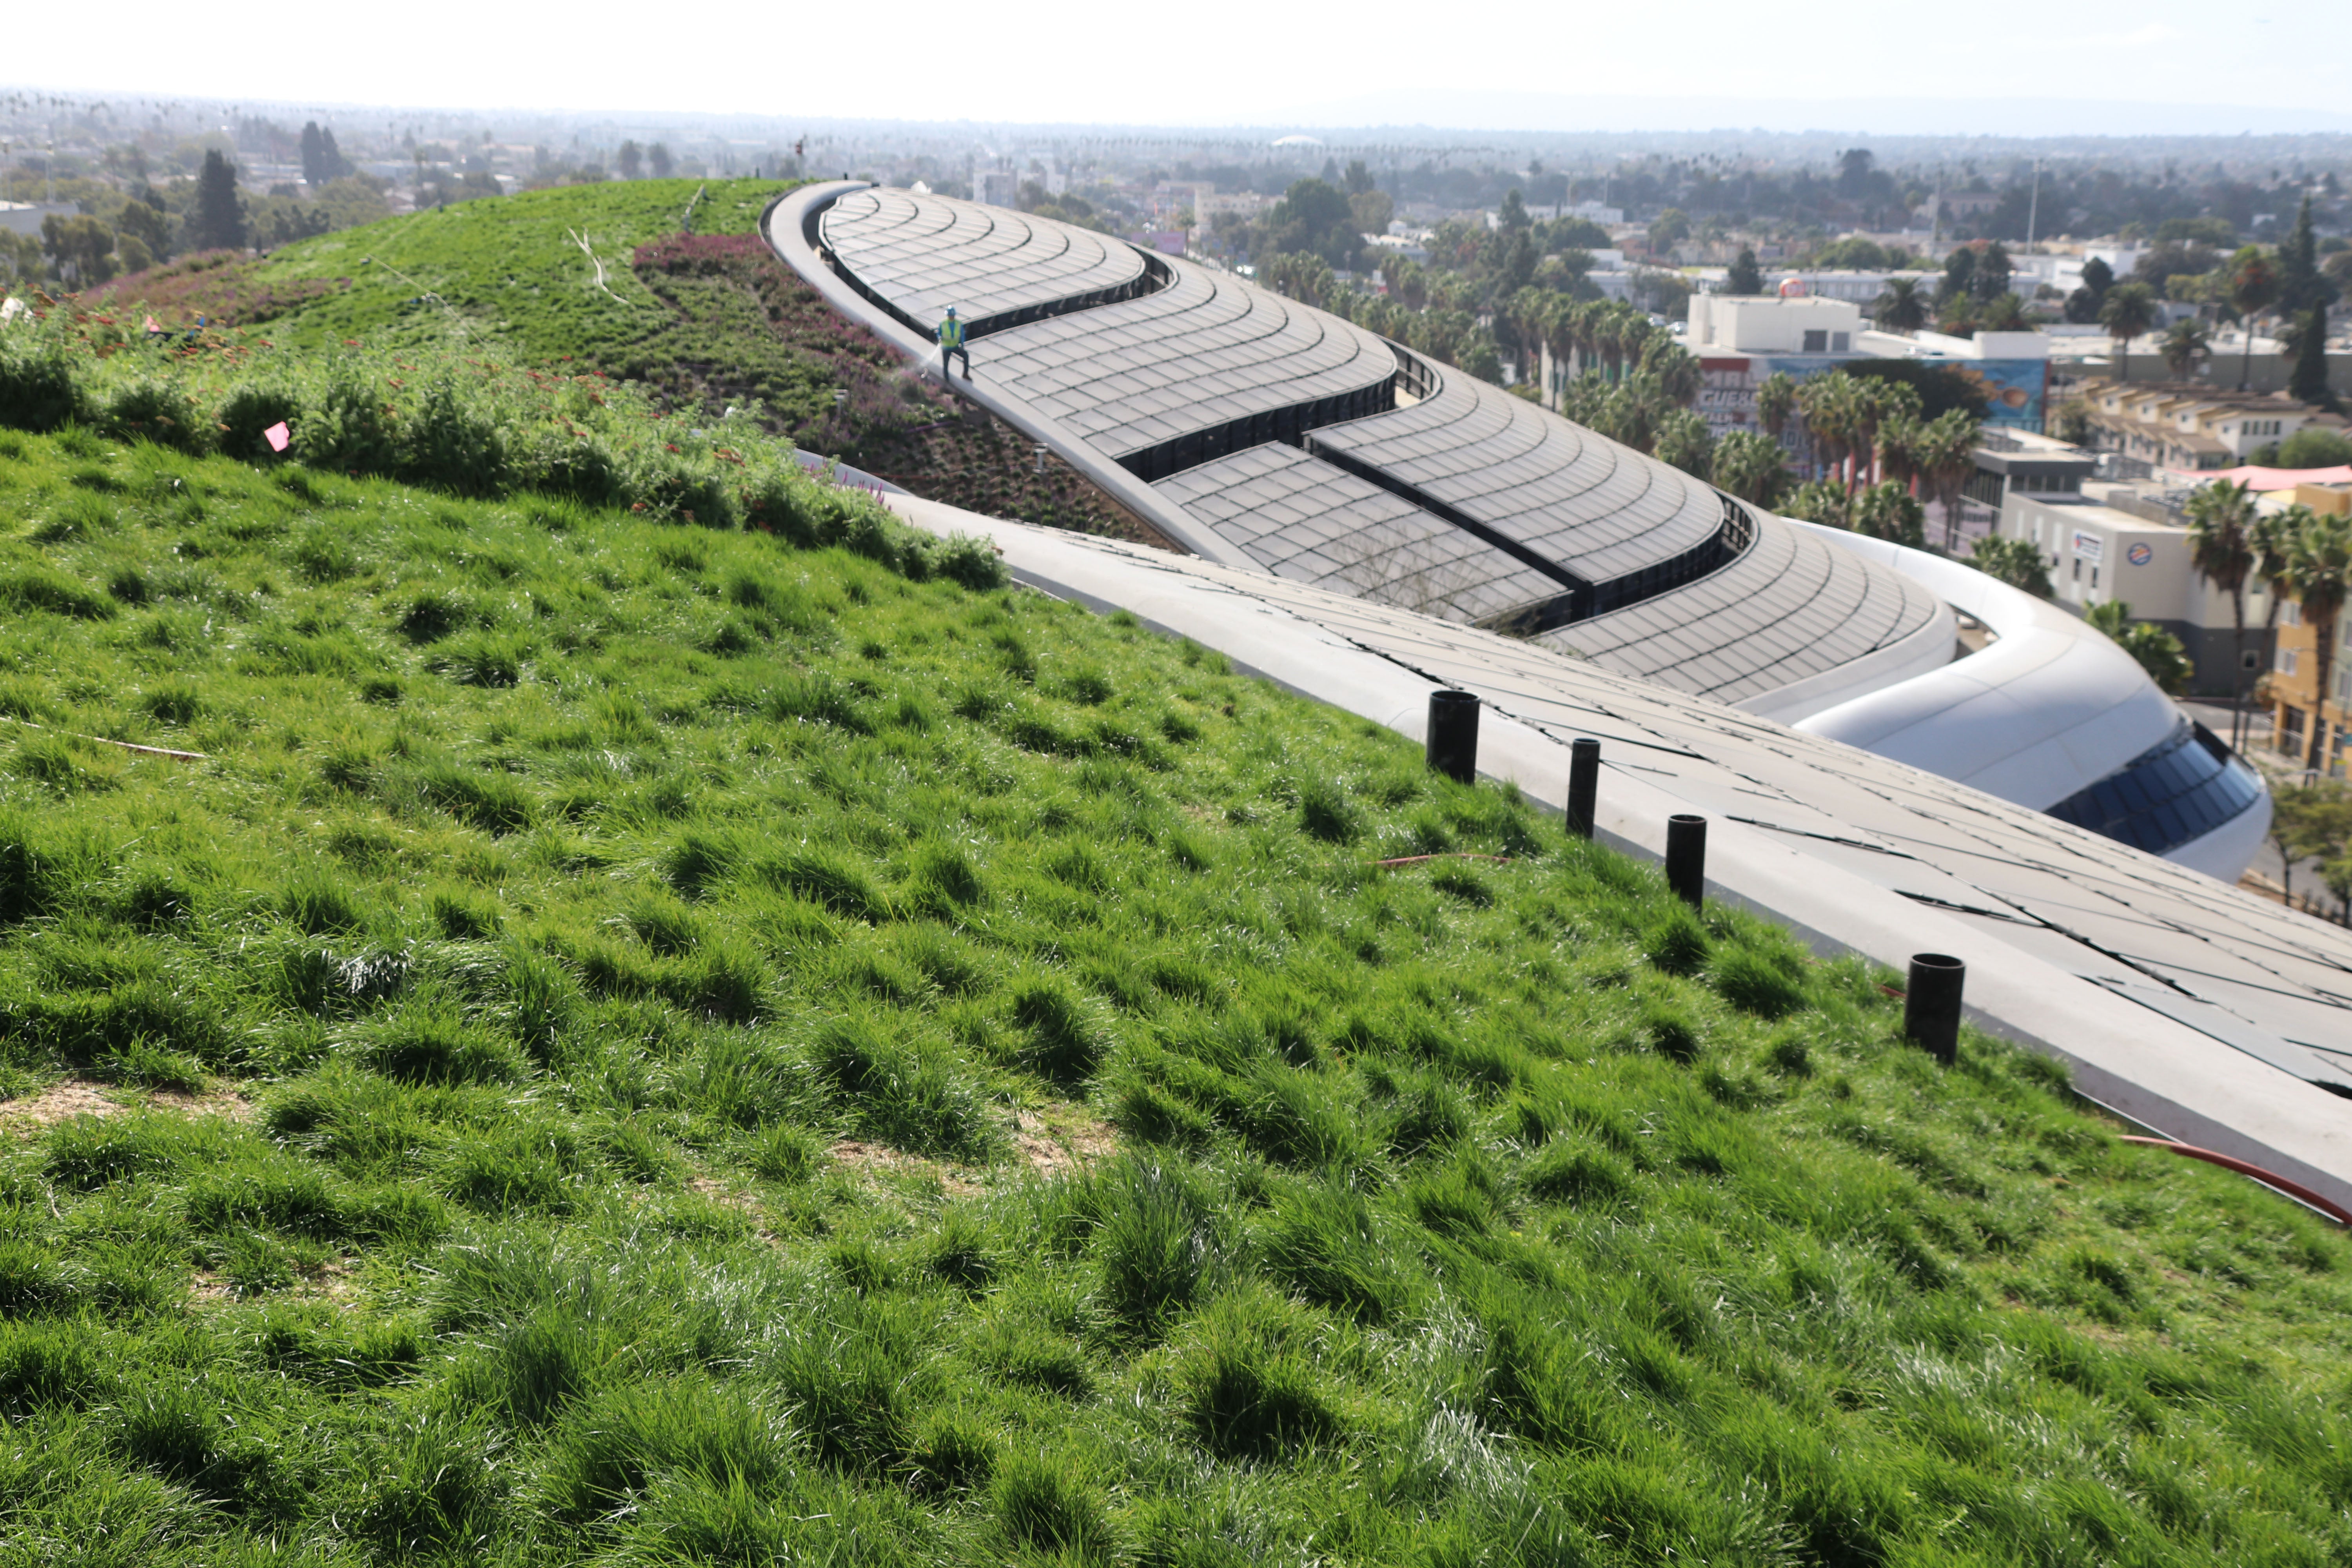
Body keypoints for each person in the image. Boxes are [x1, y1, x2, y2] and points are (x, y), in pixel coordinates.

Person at [938, 307, 970, 379]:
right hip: (946, 347)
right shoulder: (943, 323)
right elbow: (939, 333)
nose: (952, 317)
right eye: (950, 316)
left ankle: (965, 374)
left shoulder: (959, 323)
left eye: (953, 316)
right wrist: (939, 337)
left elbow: (962, 334)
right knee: (946, 364)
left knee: (966, 356)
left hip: (955, 346)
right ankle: (946, 379)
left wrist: (962, 344)